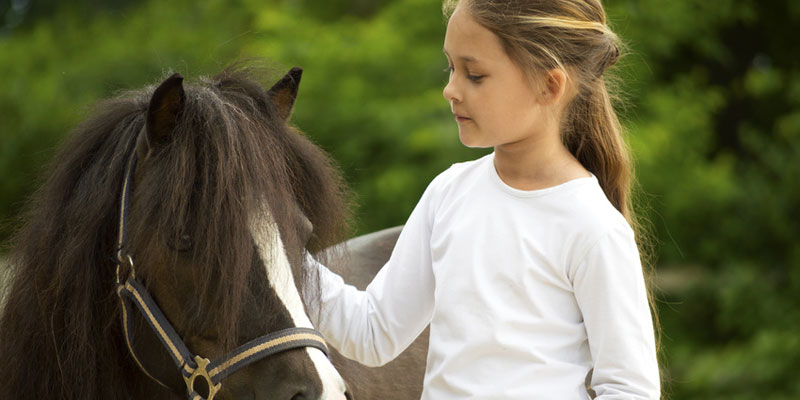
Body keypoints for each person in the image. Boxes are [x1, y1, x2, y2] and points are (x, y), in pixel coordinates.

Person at [305, 0, 661, 398]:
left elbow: (630, 389)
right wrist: (276, 255)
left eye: (474, 74)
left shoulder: (593, 226)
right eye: (451, 68)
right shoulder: (448, 193)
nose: (451, 89)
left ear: (550, 85)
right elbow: (372, 333)